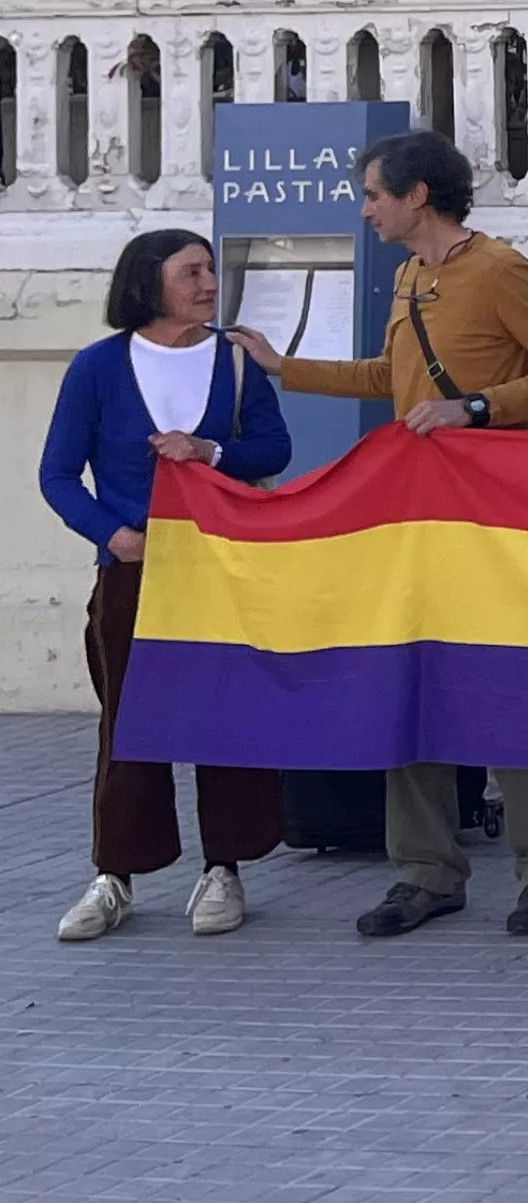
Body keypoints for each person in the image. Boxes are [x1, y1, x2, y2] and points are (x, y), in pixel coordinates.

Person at [239, 130, 528, 941]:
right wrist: (281, 367)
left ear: (417, 196)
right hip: (416, 517)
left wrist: (475, 408)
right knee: (411, 681)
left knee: (507, 686)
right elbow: (387, 379)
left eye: (373, 194)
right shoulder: (409, 275)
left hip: (493, 517)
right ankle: (426, 872)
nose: (364, 209)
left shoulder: (498, 270)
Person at [43, 228, 290, 944]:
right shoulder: (97, 367)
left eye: (211, 270)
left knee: (227, 721)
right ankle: (115, 874)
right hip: (132, 576)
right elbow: (57, 474)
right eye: (192, 273)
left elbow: (275, 449)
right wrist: (113, 538)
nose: (209, 284)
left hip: (222, 570)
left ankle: (224, 869)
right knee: (129, 721)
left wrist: (210, 450)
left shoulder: (236, 362)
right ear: (148, 282)